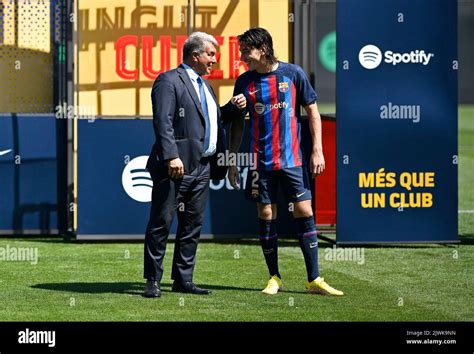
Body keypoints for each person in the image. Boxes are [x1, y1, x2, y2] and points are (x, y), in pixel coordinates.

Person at [227, 28, 343, 296]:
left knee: (304, 211)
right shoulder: (244, 81)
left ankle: (314, 279)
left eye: (246, 51)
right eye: (241, 50)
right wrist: (232, 158)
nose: (243, 56)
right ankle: (274, 277)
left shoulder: (293, 74)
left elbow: (312, 111)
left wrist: (318, 150)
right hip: (261, 162)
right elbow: (236, 124)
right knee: (266, 213)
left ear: (263, 49)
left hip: (292, 160)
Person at [143, 32, 246, 298]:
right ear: (195, 55)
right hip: (175, 166)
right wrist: (171, 156)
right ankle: (152, 280)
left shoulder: (205, 86)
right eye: (211, 54)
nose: (215, 60)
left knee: (192, 225)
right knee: (161, 223)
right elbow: (162, 122)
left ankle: (182, 280)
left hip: (203, 168)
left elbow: (211, 121)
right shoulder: (168, 80)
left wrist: (233, 109)